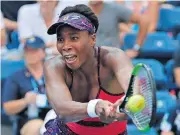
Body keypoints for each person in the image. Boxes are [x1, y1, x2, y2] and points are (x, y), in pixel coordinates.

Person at [43, 4, 133, 135]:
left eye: (74, 38)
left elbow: (133, 90)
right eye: (60, 39)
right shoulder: (54, 66)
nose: (65, 46)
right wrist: (95, 107)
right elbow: (62, 110)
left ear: (93, 39)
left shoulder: (114, 58)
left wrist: (126, 106)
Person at [3, 36, 49, 135]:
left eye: (34, 50)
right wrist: (25, 101)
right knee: (38, 127)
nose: (30, 54)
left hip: (54, 115)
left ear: (43, 52)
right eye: (27, 51)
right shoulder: (16, 77)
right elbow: (7, 107)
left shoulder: (54, 74)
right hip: (29, 119)